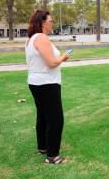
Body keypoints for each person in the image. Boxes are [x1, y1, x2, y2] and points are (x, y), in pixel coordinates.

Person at [25, 10, 70, 164]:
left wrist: (58, 58)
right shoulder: (42, 38)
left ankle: (43, 147)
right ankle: (52, 156)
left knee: (43, 116)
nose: (53, 24)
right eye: (51, 21)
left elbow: (45, 60)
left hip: (36, 82)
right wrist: (63, 57)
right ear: (43, 23)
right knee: (56, 119)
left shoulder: (31, 39)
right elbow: (51, 63)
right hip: (47, 83)